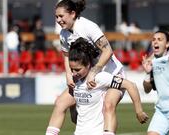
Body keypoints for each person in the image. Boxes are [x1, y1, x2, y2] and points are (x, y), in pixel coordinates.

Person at [46, 0, 127, 135]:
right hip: (88, 77)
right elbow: (67, 56)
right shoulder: (63, 34)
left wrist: (94, 71)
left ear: (72, 14)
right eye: (56, 17)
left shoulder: (87, 26)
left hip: (112, 73)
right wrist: (68, 75)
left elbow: (107, 51)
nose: (58, 20)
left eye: (61, 16)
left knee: (108, 105)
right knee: (61, 103)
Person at [46, 38, 148, 135]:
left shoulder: (100, 78)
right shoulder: (74, 81)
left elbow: (131, 85)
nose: (73, 73)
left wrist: (139, 111)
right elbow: (74, 117)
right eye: (72, 69)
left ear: (88, 65)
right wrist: (73, 109)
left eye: (78, 69)